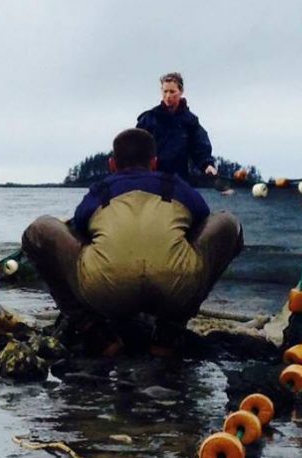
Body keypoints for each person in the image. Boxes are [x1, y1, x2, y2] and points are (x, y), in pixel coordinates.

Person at [22, 127, 242, 353]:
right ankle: (170, 330)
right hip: (177, 288)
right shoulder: (174, 185)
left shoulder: (101, 190)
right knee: (227, 222)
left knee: (38, 230)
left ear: (112, 165)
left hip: (104, 289)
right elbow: (202, 222)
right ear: (154, 162)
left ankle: (94, 330)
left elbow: (80, 227)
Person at [135, 73, 218, 185]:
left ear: (181, 91)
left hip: (179, 181)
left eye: (172, 91)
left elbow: (200, 146)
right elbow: (134, 147)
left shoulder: (190, 121)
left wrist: (207, 165)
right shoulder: (149, 119)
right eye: (165, 91)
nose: (168, 96)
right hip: (151, 181)